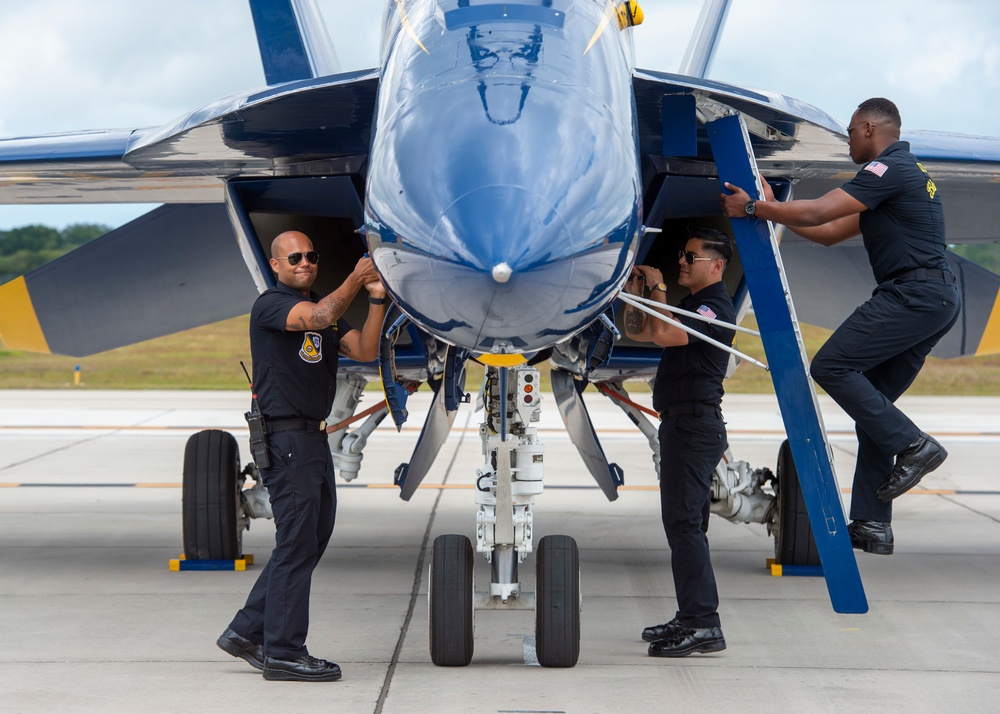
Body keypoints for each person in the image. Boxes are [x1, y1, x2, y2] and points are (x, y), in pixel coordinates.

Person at [720, 97, 961, 556]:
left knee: (831, 365)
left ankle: (915, 445)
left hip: (913, 294)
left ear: (870, 128)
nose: (847, 140)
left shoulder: (887, 170)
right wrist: (772, 209)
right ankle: (872, 523)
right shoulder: (905, 177)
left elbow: (817, 211)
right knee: (873, 407)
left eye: (850, 131)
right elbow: (829, 232)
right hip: (934, 299)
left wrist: (753, 209)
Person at [216, 230, 387, 681]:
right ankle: (284, 652)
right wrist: (355, 278)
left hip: (312, 440)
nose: (304, 262)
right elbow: (318, 316)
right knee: (295, 544)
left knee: (312, 538)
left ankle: (246, 631)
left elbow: (365, 350)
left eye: (311, 255)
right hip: (287, 439)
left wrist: (376, 299)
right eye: (294, 257)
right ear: (276, 265)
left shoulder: (325, 314)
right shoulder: (272, 304)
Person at [624, 227, 736, 657]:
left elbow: (665, 336)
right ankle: (691, 615)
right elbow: (641, 331)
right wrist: (641, 293)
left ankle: (704, 624)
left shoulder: (713, 308)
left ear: (717, 265)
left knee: (684, 525)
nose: (683, 262)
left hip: (694, 427)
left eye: (692, 257)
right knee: (687, 526)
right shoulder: (693, 306)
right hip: (682, 426)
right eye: (682, 256)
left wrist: (657, 286)